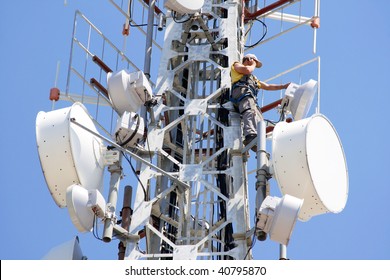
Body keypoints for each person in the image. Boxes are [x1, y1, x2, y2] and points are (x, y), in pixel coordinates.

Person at [230, 53, 290, 150]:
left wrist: (283, 86)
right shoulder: (236, 65)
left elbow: (268, 86)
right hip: (242, 95)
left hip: (249, 98)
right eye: (254, 62)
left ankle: (256, 138)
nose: (255, 65)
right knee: (250, 111)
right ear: (249, 59)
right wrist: (252, 64)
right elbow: (247, 70)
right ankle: (250, 135)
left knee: (258, 117)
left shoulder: (253, 79)